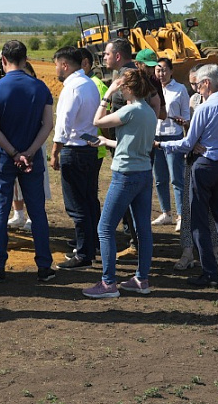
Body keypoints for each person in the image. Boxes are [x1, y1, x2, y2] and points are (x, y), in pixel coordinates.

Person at [161, 63, 218, 288]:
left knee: (198, 221)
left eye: (198, 85)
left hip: (204, 166)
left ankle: (209, 272)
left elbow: (188, 143)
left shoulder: (205, 108)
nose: (197, 89)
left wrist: (162, 145)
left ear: (207, 83)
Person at [83, 67, 158, 298]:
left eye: (121, 86)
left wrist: (107, 94)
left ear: (128, 88)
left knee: (104, 228)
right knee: (143, 228)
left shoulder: (129, 110)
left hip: (125, 175)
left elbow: (97, 119)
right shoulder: (149, 112)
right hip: (144, 173)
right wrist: (107, 141)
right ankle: (141, 279)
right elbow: (135, 145)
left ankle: (108, 283)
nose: (119, 90)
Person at [0, 40, 56, 284]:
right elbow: (48, 125)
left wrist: (14, 153)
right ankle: (44, 266)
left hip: (3, 159)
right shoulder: (41, 88)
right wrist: (29, 152)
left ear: (3, 60)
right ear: (26, 59)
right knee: (37, 211)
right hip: (32, 158)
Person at [50, 46, 102, 270]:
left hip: (75, 149)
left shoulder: (72, 88)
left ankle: (83, 254)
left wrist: (54, 151)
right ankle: (91, 247)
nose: (55, 70)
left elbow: (64, 124)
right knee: (89, 201)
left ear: (64, 65)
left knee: (77, 205)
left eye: (56, 65)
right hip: (89, 148)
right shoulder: (90, 84)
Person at [152, 57, 188, 228]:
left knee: (176, 178)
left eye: (165, 70)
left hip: (174, 136)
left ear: (172, 71)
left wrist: (184, 122)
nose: (161, 73)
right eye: (158, 70)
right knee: (159, 178)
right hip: (156, 137)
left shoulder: (180, 89)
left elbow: (187, 117)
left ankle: (181, 216)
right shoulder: (151, 89)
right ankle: (166, 213)